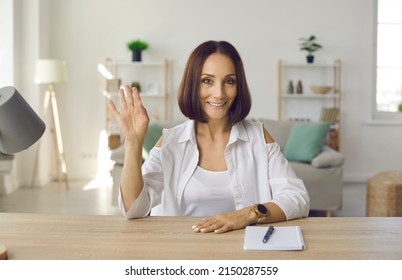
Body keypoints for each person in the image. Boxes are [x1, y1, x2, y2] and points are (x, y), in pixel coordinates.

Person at [108, 40, 309, 234]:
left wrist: (247, 215)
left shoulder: (258, 137)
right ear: (192, 85)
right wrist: (133, 143)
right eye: (207, 81)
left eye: (229, 81)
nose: (219, 93)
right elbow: (133, 209)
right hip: (181, 255)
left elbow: (297, 197)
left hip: (245, 255)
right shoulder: (171, 142)